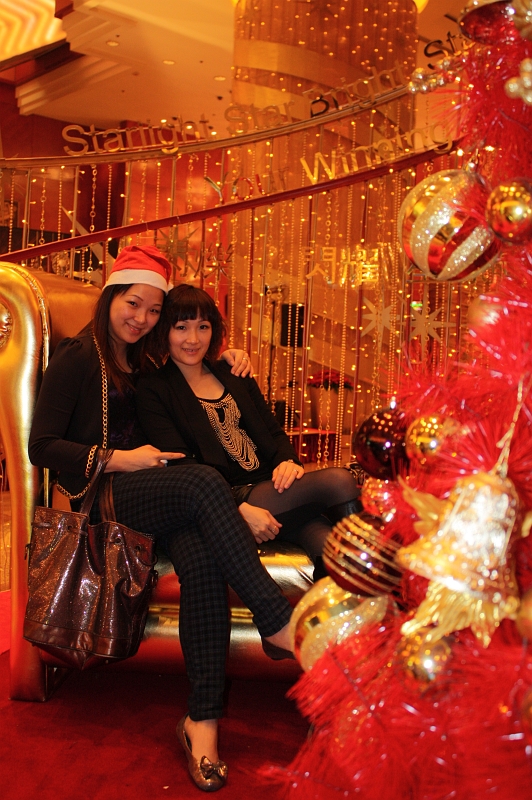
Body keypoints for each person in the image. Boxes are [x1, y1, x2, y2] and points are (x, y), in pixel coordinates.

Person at [28, 245, 295, 794]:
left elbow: (190, 372)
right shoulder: (79, 357)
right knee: (203, 482)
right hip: (105, 496)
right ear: (110, 296)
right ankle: (275, 618)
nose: (142, 318)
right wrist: (115, 459)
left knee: (201, 562)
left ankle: (202, 723)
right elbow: (41, 446)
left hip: (160, 496)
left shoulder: (144, 359)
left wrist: (228, 359)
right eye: (133, 303)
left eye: (153, 309)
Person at [136, 283, 362, 583]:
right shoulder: (154, 389)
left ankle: (348, 604)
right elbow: (181, 467)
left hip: (271, 487)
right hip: (225, 496)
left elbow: (273, 431)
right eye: (181, 327)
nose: (193, 339)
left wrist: (288, 461)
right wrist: (236, 511)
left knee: (327, 543)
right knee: (340, 481)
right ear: (164, 330)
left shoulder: (233, 372)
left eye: (203, 327)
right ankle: (376, 574)